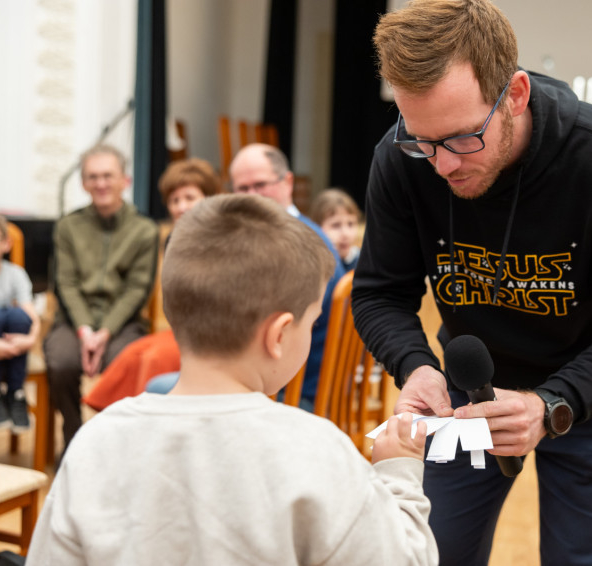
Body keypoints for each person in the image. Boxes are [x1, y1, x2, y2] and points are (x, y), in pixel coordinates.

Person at [351, 1, 592, 565]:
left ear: (517, 95)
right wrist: (416, 366)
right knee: (433, 552)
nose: (442, 166)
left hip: (591, 391)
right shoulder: (401, 159)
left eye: (461, 138)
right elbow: (381, 292)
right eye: (421, 141)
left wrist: (552, 404)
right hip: (465, 393)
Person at [26, 194, 438, 566]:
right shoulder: (316, 449)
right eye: (311, 323)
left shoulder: (95, 442)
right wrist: (399, 473)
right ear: (278, 335)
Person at [82, 157, 223, 411]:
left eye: (189, 198)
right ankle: (122, 425)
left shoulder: (223, 239)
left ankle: (146, 427)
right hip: (184, 331)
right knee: (131, 355)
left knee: (153, 359)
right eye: (174, 200)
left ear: (209, 199)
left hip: (216, 336)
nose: (181, 207)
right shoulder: (173, 240)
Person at [44, 144, 158, 453]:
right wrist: (85, 332)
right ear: (84, 183)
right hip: (73, 321)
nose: (101, 183)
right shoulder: (68, 226)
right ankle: (73, 439)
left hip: (123, 323)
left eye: (108, 175)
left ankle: (114, 447)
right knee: (61, 361)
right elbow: (65, 283)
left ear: (125, 180)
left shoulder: (144, 230)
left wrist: (104, 332)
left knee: (129, 363)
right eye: (93, 177)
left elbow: (137, 289)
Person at [229, 143, 345, 410]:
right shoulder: (269, 237)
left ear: (288, 182)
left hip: (294, 394)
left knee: (162, 389)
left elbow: (269, 333)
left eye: (261, 184)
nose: (253, 196)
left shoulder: (302, 243)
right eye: (242, 188)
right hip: (274, 382)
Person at [0, 209, 41, 432]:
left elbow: (32, 316)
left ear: (6, 243)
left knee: (18, 317)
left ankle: (16, 392)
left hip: (9, 344)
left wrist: (30, 340)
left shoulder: (16, 274)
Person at [310, 188, 363, 271]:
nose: (346, 233)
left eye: (350, 224)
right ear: (316, 227)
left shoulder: (363, 261)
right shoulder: (311, 264)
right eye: (336, 225)